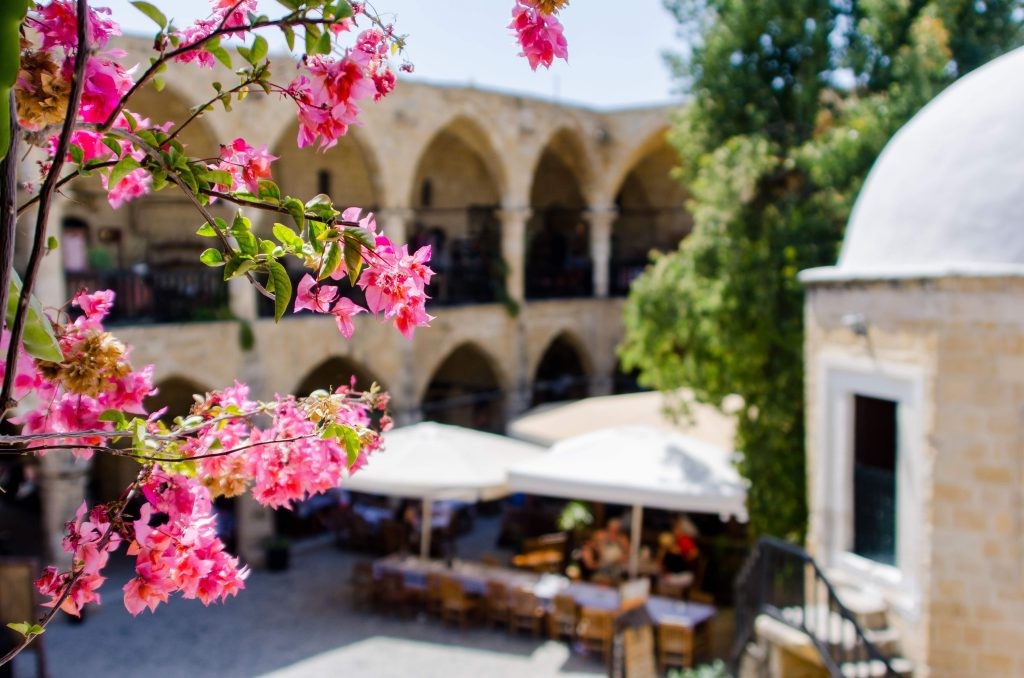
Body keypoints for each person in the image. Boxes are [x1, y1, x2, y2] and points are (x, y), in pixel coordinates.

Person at [582, 517, 631, 583]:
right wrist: (591, 560)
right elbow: (588, 548)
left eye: (616, 530)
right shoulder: (600, 536)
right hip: (600, 571)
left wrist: (622, 558)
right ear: (608, 528)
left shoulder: (622, 539)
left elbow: (629, 553)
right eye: (612, 530)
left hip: (616, 571)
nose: (613, 533)